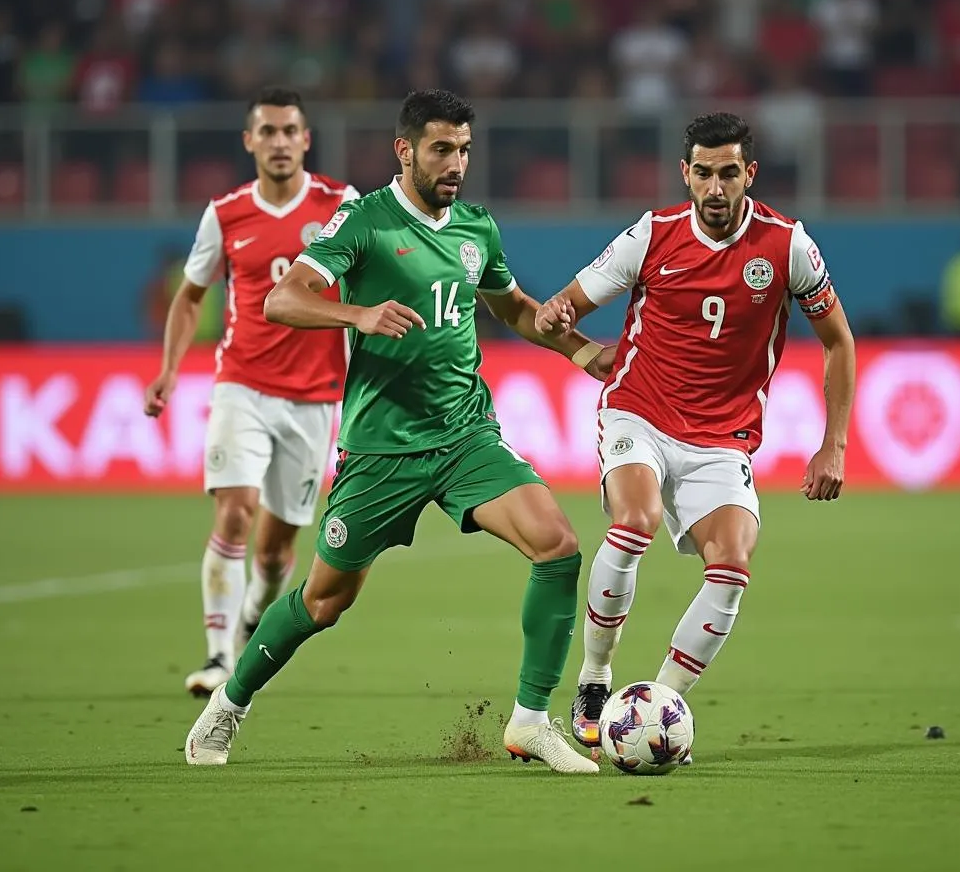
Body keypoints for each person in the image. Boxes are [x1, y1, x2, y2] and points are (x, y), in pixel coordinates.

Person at [184, 89, 611, 774]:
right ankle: (229, 703)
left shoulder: (477, 227)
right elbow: (283, 297)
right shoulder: (364, 223)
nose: (456, 163)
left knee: (558, 546)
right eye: (442, 149)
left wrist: (583, 351)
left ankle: (530, 721)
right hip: (383, 449)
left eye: (465, 150)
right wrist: (357, 315)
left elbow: (514, 309)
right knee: (324, 602)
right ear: (405, 150)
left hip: (466, 436)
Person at [534, 112, 856, 750]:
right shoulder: (651, 235)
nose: (714, 187)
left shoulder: (788, 245)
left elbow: (838, 342)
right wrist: (569, 331)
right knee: (633, 524)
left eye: (728, 173)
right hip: (640, 412)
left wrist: (834, 443)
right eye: (703, 173)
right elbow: (561, 310)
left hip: (723, 438)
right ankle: (596, 678)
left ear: (749, 175)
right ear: (686, 173)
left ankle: (654, 708)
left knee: (732, 563)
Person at [144, 86, 358, 697]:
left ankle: (247, 619)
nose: (280, 142)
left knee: (272, 554)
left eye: (290, 130)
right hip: (242, 384)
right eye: (268, 131)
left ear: (306, 139)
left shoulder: (341, 203)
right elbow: (190, 296)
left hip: (316, 398)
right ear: (250, 142)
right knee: (234, 512)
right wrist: (169, 370)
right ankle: (216, 657)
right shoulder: (226, 213)